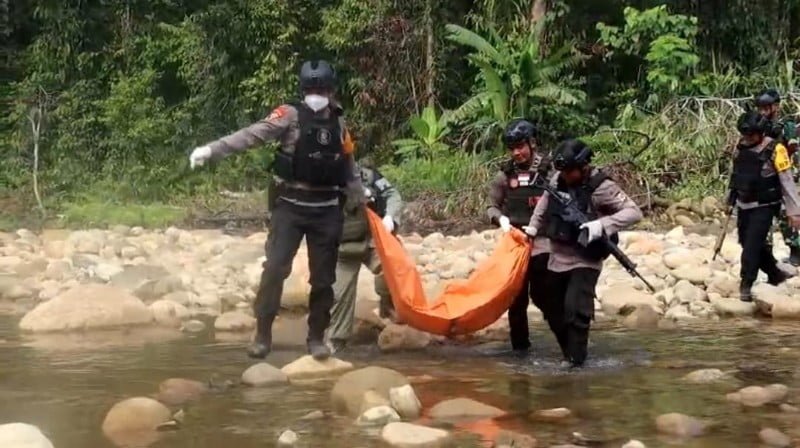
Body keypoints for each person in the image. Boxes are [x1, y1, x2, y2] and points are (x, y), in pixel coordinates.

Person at [188, 60, 363, 360]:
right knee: (274, 270)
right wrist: (212, 150)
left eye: (321, 89)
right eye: (311, 89)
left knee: (323, 280)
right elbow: (251, 135)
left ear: (331, 90)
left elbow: (348, 165)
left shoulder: (339, 122)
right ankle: (263, 334)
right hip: (290, 208)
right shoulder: (289, 115)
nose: (316, 94)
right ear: (303, 89)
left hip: (326, 210)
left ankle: (317, 338)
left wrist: (359, 199)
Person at [524, 139, 643, 367]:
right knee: (547, 301)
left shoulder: (602, 187)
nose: (565, 176)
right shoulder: (557, 179)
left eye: (570, 171)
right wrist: (532, 228)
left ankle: (576, 362)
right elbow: (545, 202)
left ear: (584, 166)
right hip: (557, 256)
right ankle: (568, 352)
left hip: (585, 258)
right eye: (563, 171)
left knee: (576, 309)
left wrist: (602, 224)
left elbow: (633, 212)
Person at [487, 119, 552, 352]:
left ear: (532, 143)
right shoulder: (504, 175)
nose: (517, 152)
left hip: (544, 244)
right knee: (516, 302)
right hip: (514, 245)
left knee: (544, 296)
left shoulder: (549, 170)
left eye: (521, 146)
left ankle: (568, 342)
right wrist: (500, 220)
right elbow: (491, 207)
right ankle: (520, 351)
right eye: (512, 148)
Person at [326, 160, 403, 353]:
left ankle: (388, 310)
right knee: (339, 296)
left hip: (372, 240)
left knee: (392, 271)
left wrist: (390, 217)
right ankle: (337, 342)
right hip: (342, 249)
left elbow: (393, 195)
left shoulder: (368, 175)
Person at [727, 110, 800, 302]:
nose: (747, 138)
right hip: (744, 204)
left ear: (760, 133)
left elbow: (787, 182)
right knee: (747, 242)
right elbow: (736, 175)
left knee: (751, 246)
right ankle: (774, 273)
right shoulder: (741, 147)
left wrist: (795, 212)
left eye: (751, 135)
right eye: (745, 135)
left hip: (765, 205)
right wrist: (731, 198)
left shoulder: (776, 150)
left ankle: (746, 285)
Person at [755, 89, 800, 266]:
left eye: (766, 108)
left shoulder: (785, 126)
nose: (763, 112)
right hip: (764, 174)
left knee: (785, 213)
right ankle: (767, 255)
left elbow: (793, 150)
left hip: (784, 173)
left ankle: (795, 249)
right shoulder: (757, 125)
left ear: (775, 107)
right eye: (761, 108)